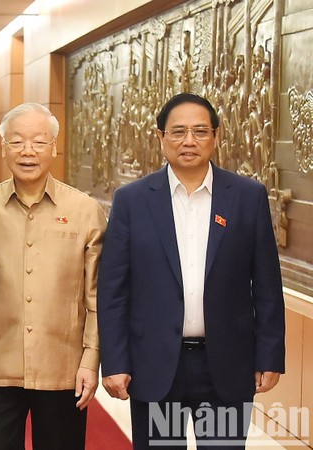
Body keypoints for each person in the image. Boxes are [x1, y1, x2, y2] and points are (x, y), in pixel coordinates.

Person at [97, 92, 285, 449]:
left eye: (200, 131)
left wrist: (270, 355)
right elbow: (113, 290)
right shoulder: (132, 200)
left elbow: (266, 285)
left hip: (227, 364)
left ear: (216, 136)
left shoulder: (247, 197)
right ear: (160, 137)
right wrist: (116, 360)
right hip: (153, 363)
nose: (189, 141)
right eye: (178, 131)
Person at [0, 102, 106, 450]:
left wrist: (91, 360)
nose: (28, 151)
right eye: (17, 142)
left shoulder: (85, 210)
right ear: (4, 148)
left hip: (63, 369)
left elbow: (97, 297)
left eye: (39, 142)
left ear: (54, 147)